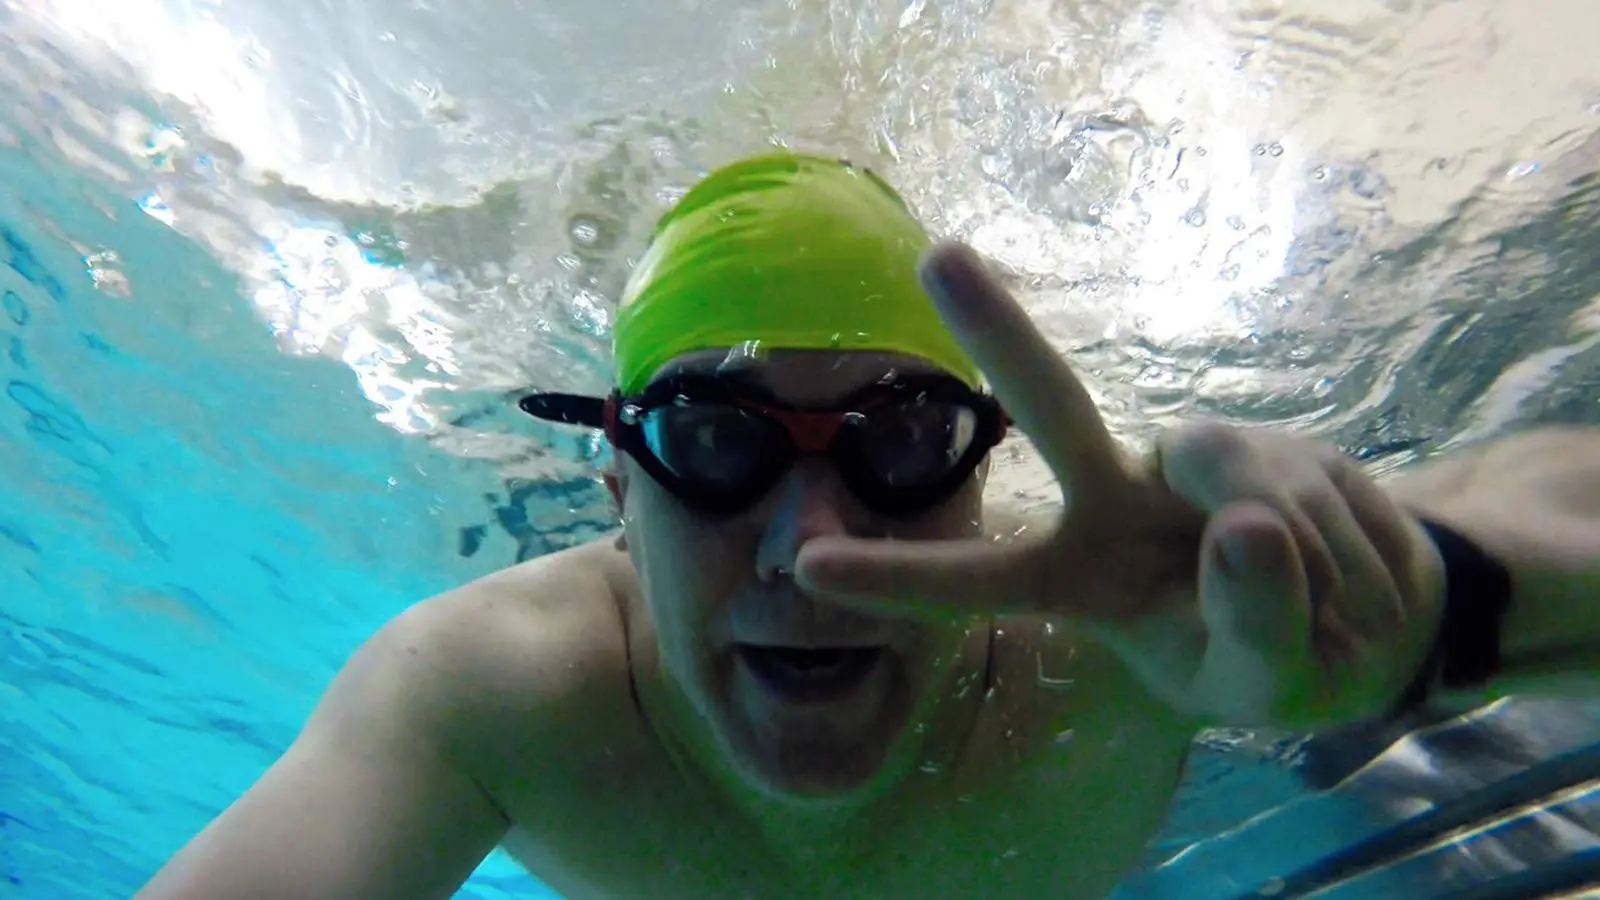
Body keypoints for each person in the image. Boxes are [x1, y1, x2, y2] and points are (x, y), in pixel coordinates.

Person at [135, 152, 1600, 900]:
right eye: (714, 445)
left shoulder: (1118, 627)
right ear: (617, 492)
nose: (811, 547)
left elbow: (1542, 490)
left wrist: (1435, 599)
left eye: (903, 444)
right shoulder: (493, 692)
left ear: (982, 471)